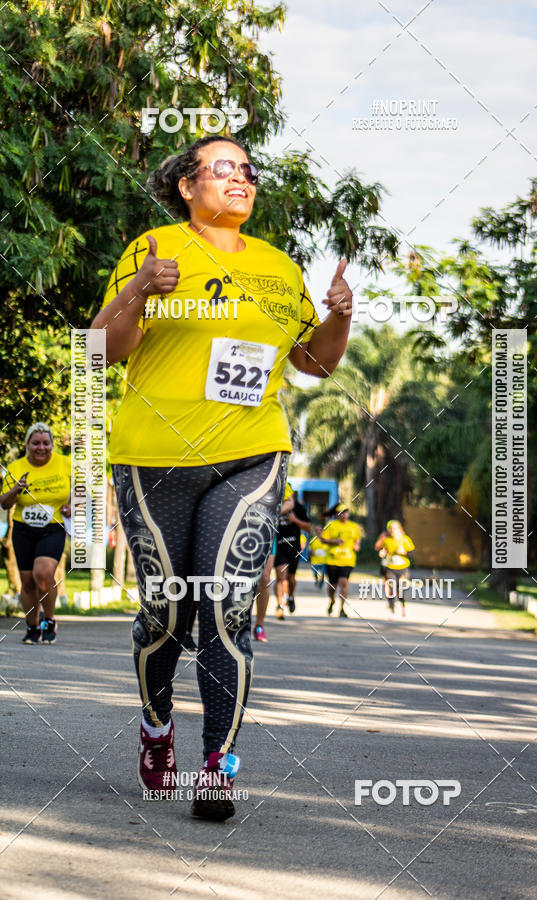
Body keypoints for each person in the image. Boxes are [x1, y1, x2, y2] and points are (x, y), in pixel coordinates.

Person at [91, 135, 354, 821]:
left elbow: (315, 364)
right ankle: (156, 725)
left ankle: (217, 765)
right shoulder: (153, 248)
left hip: (252, 451)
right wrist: (144, 292)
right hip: (155, 459)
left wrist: (339, 317)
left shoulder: (276, 267)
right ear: (186, 185)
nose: (242, 179)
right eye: (224, 168)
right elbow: (101, 348)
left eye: (248, 170)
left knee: (228, 609)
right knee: (168, 612)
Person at [0, 423, 71, 644]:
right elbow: (4, 503)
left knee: (43, 574)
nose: (41, 447)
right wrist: (16, 489)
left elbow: (81, 491)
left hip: (53, 527)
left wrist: (72, 505)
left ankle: (48, 621)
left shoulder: (65, 463)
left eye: (46, 443)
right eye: (36, 443)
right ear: (28, 445)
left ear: (52, 444)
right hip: (23, 529)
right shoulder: (15, 467)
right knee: (27, 581)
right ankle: (32, 627)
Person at [253, 484, 294, 642]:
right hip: (240, 530)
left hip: (267, 533)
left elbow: (290, 502)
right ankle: (237, 624)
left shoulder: (275, 474)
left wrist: (271, 513)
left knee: (264, 578)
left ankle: (259, 626)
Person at [274, 488, 311, 618]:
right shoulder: (274, 506)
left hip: (294, 547)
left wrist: (295, 520)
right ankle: (280, 605)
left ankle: (290, 596)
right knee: (280, 575)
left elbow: (308, 527)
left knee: (291, 578)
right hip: (279, 546)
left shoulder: (299, 508)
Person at [320, 504, 361, 617]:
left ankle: (342, 608)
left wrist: (357, 545)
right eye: (341, 512)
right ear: (337, 514)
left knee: (344, 582)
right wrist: (335, 541)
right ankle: (332, 600)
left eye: (346, 512)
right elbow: (323, 540)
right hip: (332, 559)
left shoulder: (353, 526)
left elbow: (357, 539)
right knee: (332, 585)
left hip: (348, 560)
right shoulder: (331, 525)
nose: (344, 514)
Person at [375, 520, 415, 618]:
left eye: (395, 528)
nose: (393, 530)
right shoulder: (387, 540)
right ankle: (392, 610)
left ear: (399, 529)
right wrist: (382, 553)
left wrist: (404, 552)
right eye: (391, 528)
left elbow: (413, 554)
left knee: (401, 589)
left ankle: (403, 605)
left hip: (403, 568)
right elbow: (381, 550)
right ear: (389, 530)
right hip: (390, 568)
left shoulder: (405, 539)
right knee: (391, 588)